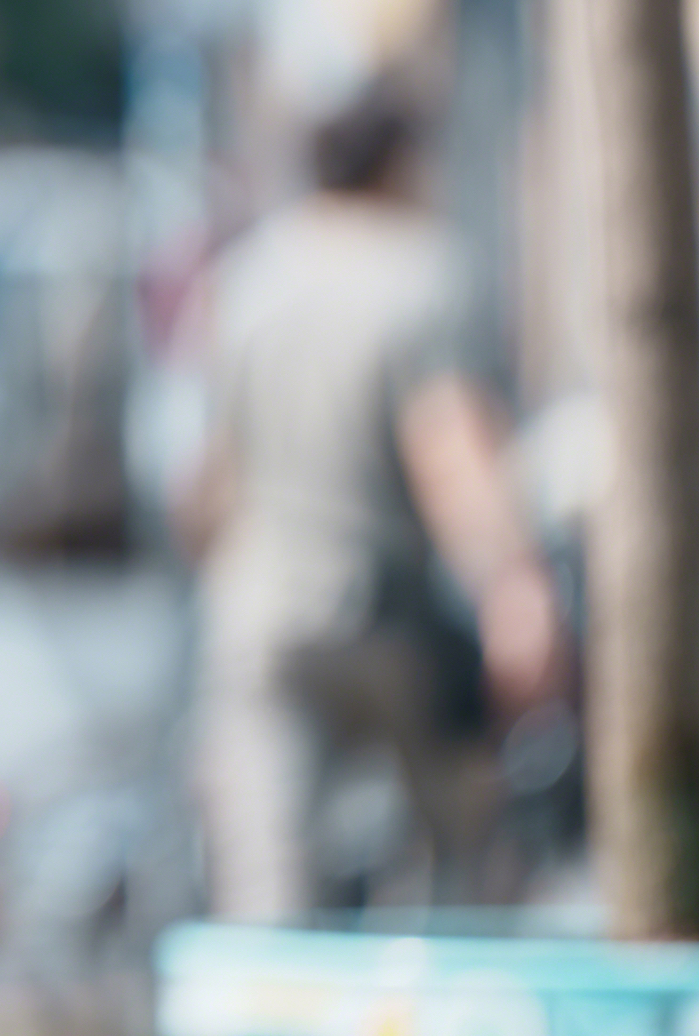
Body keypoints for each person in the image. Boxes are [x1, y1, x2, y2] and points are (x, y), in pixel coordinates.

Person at [183, 83, 567, 922]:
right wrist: (515, 588)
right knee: (459, 848)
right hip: (381, 610)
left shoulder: (247, 279)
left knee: (265, 880)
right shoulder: (422, 273)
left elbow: (209, 481)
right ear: (400, 163)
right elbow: (450, 450)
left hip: (259, 616)